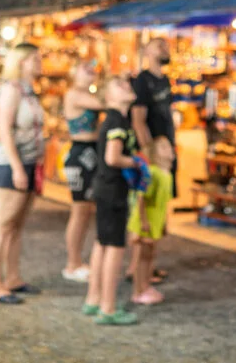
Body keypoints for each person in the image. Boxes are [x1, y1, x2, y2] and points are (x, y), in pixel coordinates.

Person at [0, 43, 44, 304]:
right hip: (11, 164)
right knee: (2, 223)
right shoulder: (11, 89)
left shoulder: (29, 91)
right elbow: (4, 131)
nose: (40, 63)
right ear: (22, 62)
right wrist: (18, 167)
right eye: (35, 59)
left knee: (16, 225)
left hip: (29, 162)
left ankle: (13, 278)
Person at [83, 76, 142, 325]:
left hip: (104, 189)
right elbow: (113, 158)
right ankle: (108, 306)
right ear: (108, 96)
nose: (126, 85)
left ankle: (94, 298)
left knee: (102, 243)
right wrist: (137, 162)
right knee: (115, 248)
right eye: (119, 84)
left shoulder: (115, 119)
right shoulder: (117, 120)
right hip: (114, 190)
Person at [128, 38, 176, 284]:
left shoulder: (164, 81)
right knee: (145, 207)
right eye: (159, 45)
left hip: (165, 151)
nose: (164, 49)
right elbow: (138, 119)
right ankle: (136, 267)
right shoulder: (142, 81)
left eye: (165, 45)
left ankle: (148, 266)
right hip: (152, 153)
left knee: (159, 208)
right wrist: (147, 154)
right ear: (146, 51)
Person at [61, 60, 106, 282]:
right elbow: (103, 103)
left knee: (86, 211)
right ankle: (72, 263)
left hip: (91, 152)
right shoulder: (74, 94)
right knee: (79, 211)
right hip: (80, 154)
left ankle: (77, 260)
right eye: (84, 68)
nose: (90, 71)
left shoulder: (86, 93)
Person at [128, 138, 175, 305]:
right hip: (145, 222)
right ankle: (138, 290)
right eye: (163, 147)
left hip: (155, 222)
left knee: (150, 256)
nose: (168, 150)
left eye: (169, 146)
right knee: (142, 256)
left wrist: (164, 223)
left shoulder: (167, 175)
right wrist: (143, 221)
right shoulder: (152, 173)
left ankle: (145, 286)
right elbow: (141, 198)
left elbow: (164, 202)